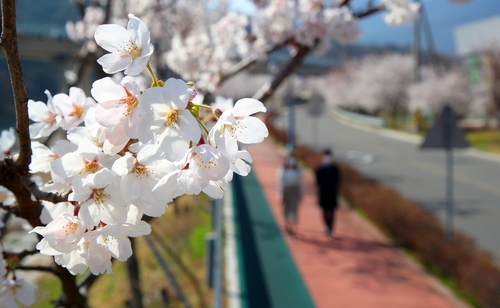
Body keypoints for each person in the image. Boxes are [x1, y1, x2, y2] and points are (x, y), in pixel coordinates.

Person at [314, 149, 341, 239]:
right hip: (323, 194)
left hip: (332, 195)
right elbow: (317, 182)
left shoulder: (335, 169)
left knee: (332, 212)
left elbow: (338, 182)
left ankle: (330, 228)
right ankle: (327, 226)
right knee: (324, 211)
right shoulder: (320, 169)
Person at [277, 154, 303, 239]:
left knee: (294, 211)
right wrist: (280, 195)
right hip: (286, 192)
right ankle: (287, 227)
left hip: (294, 192)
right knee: (286, 210)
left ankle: (292, 230)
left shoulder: (298, 170)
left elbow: (300, 183)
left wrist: (301, 193)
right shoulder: (282, 170)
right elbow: (280, 183)